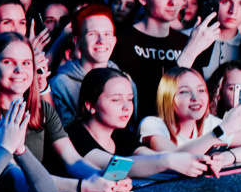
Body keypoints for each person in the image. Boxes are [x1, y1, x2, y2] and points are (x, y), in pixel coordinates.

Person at [0, 32, 131, 192]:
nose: (19, 70)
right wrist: (84, 187)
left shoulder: (43, 110)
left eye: (26, 63)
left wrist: (108, 178)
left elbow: (72, 159)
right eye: (8, 62)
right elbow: (17, 178)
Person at [66, 68, 211, 178]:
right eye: (116, 100)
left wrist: (202, 160)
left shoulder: (120, 134)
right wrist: (168, 161)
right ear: (90, 106)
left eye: (130, 99)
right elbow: (113, 167)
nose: (127, 107)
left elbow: (150, 156)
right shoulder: (74, 134)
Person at [138, 67, 241, 171]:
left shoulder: (209, 123)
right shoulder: (152, 124)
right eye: (185, 92)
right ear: (168, 97)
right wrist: (221, 131)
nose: (196, 98)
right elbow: (174, 158)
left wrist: (229, 157)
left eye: (201, 90)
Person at [50, 5, 131, 127]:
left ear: (114, 41)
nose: (102, 41)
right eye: (93, 34)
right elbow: (60, 135)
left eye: (107, 34)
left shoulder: (126, 81)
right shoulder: (60, 85)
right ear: (77, 42)